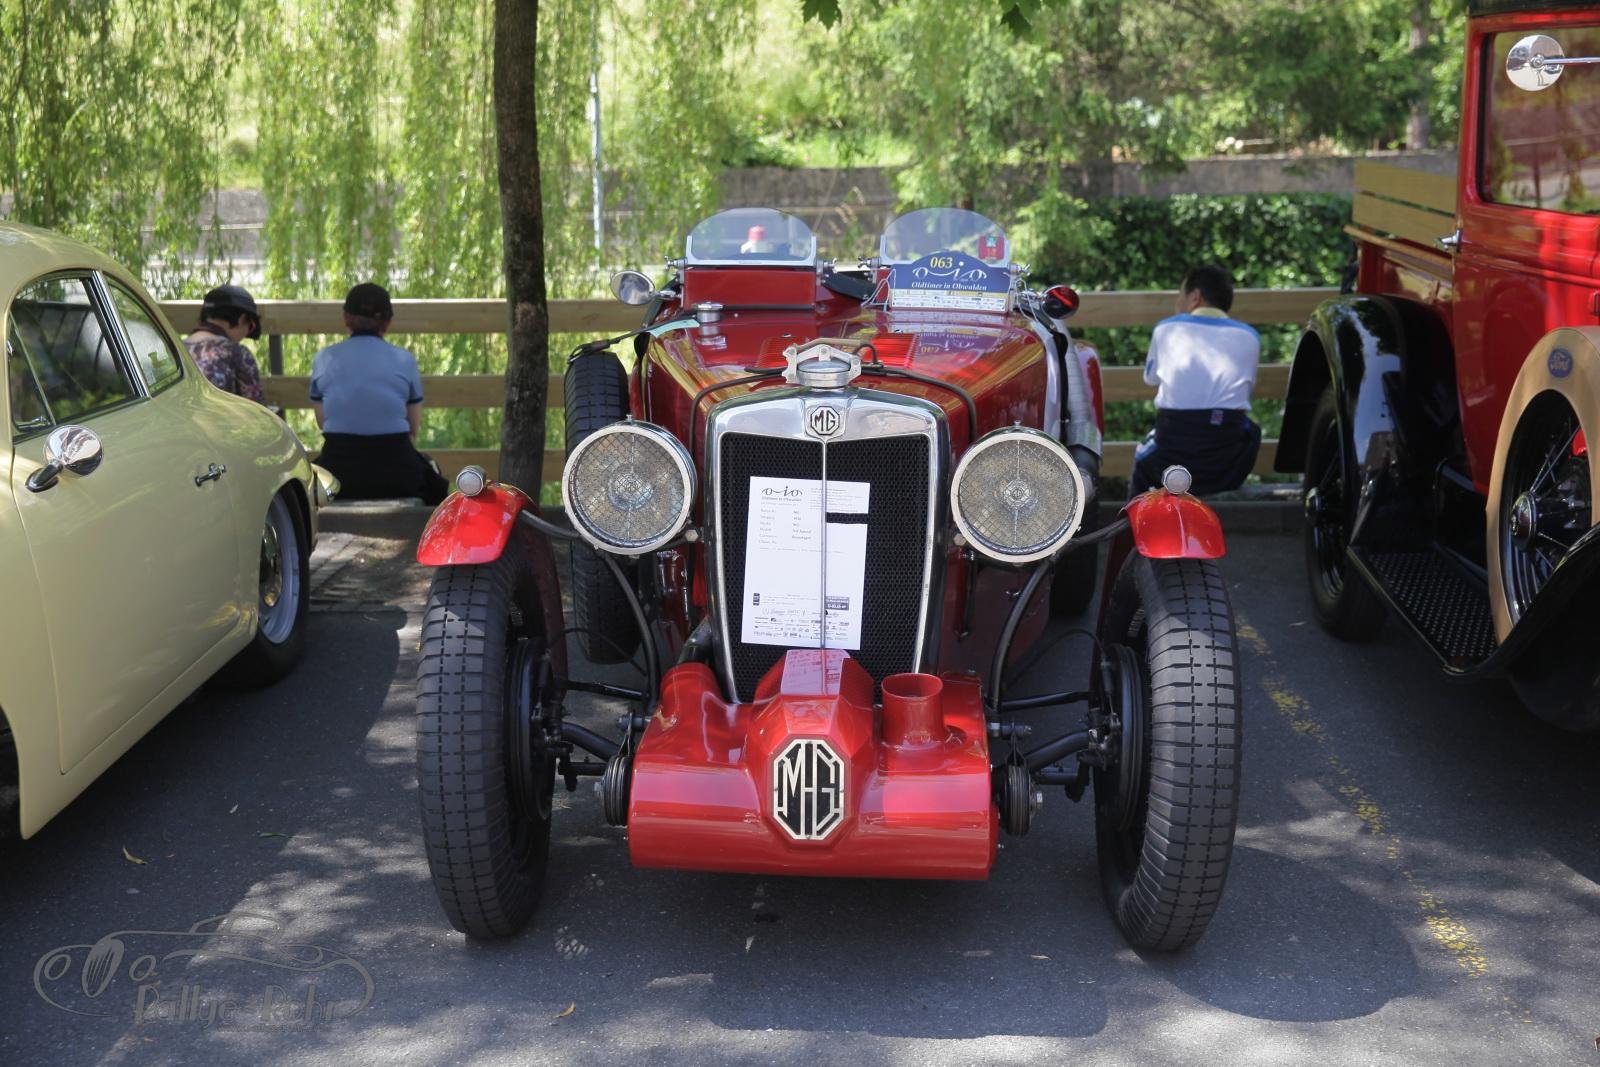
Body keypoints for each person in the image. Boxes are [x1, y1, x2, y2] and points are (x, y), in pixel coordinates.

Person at [309, 283, 448, 505]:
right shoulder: (405, 360)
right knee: (435, 484)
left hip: (338, 472)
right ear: (388, 322)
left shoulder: (324, 358)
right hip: (398, 472)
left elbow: (322, 422)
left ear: (345, 318)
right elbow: (413, 428)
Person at [1130, 264, 1261, 497]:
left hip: (1170, 454)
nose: (1177, 302)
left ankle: (1133, 518)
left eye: (1180, 295)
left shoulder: (1167, 329)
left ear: (1195, 297)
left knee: (1142, 458)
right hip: (1226, 464)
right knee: (1252, 431)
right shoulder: (1250, 336)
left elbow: (1151, 379)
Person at [185, 284, 266, 404]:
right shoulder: (238, 355)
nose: (245, 335)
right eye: (251, 327)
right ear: (241, 319)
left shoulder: (175, 350)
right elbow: (257, 410)